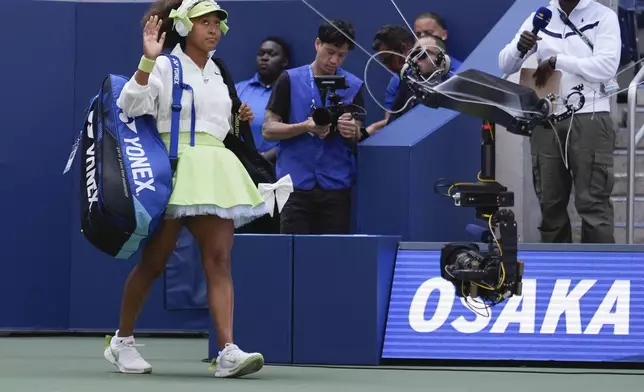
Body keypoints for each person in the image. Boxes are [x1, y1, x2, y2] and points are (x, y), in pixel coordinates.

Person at [105, 0, 269, 377]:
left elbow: (217, 128)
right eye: (203, 22)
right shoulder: (165, 63)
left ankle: (228, 350)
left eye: (216, 23)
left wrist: (236, 120)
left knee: (219, 260)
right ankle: (122, 341)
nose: (212, 29)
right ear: (183, 27)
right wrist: (147, 61)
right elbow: (130, 104)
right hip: (173, 171)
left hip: (214, 171)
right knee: (153, 263)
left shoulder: (218, 71)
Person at [498, 0, 620, 243]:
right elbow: (505, 64)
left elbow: (606, 67)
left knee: (593, 204)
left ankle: (598, 271)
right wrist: (520, 48)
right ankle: (557, 272)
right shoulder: (540, 17)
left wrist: (557, 61)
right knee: (550, 203)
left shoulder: (603, 16)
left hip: (590, 117)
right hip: (547, 120)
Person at [262, 20, 367, 234]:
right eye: (330, 52)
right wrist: (305, 126)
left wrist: (352, 130)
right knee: (293, 255)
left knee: (332, 255)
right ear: (317, 44)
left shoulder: (354, 85)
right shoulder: (289, 80)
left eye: (341, 55)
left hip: (336, 184)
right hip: (295, 184)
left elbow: (358, 130)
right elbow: (268, 129)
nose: (334, 61)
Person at [236, 36, 291, 163]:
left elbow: (298, 133)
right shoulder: (238, 89)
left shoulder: (292, 92)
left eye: (272, 54)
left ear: (284, 62)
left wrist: (268, 156)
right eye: (261, 54)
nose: (264, 58)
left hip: (278, 165)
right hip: (240, 163)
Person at [388, 35, 452, 124]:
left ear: (441, 59)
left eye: (421, 54)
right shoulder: (407, 87)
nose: (415, 60)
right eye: (413, 55)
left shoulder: (452, 90)